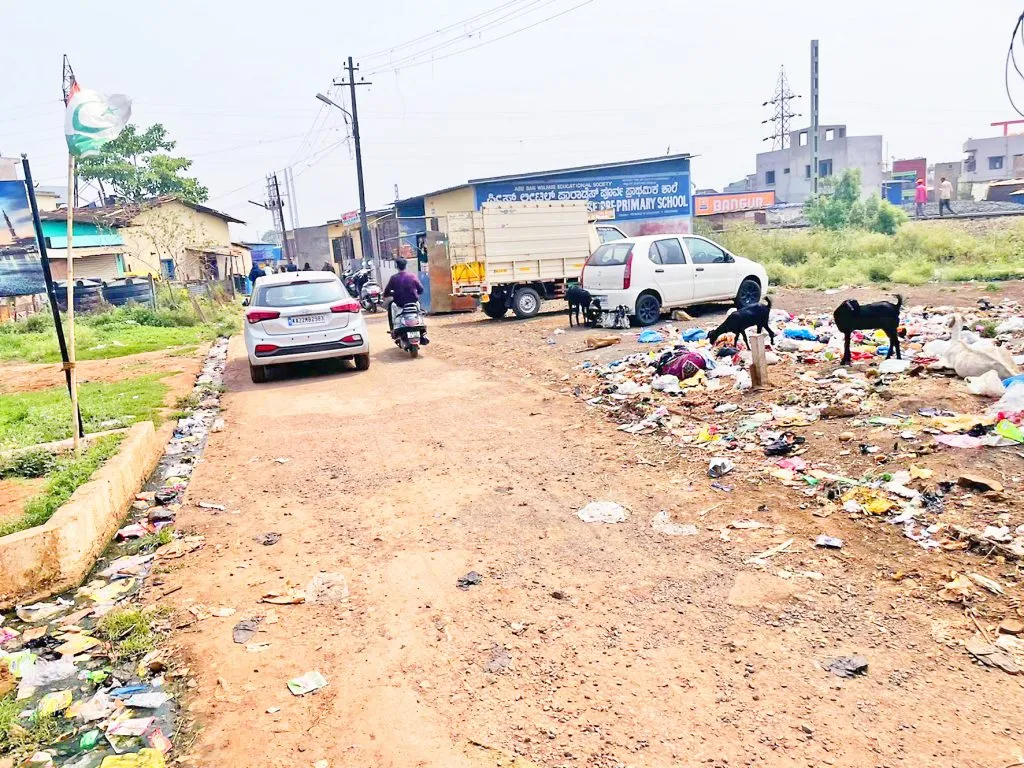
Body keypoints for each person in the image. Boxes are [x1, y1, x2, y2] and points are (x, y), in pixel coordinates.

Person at [383, 258, 427, 342]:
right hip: (413, 303)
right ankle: (421, 327)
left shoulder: (394, 278)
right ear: (405, 266)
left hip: (399, 304)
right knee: (419, 311)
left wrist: (393, 294)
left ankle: (393, 330)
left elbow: (386, 292)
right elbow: (421, 289)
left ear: (396, 266)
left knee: (390, 306)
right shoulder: (412, 276)